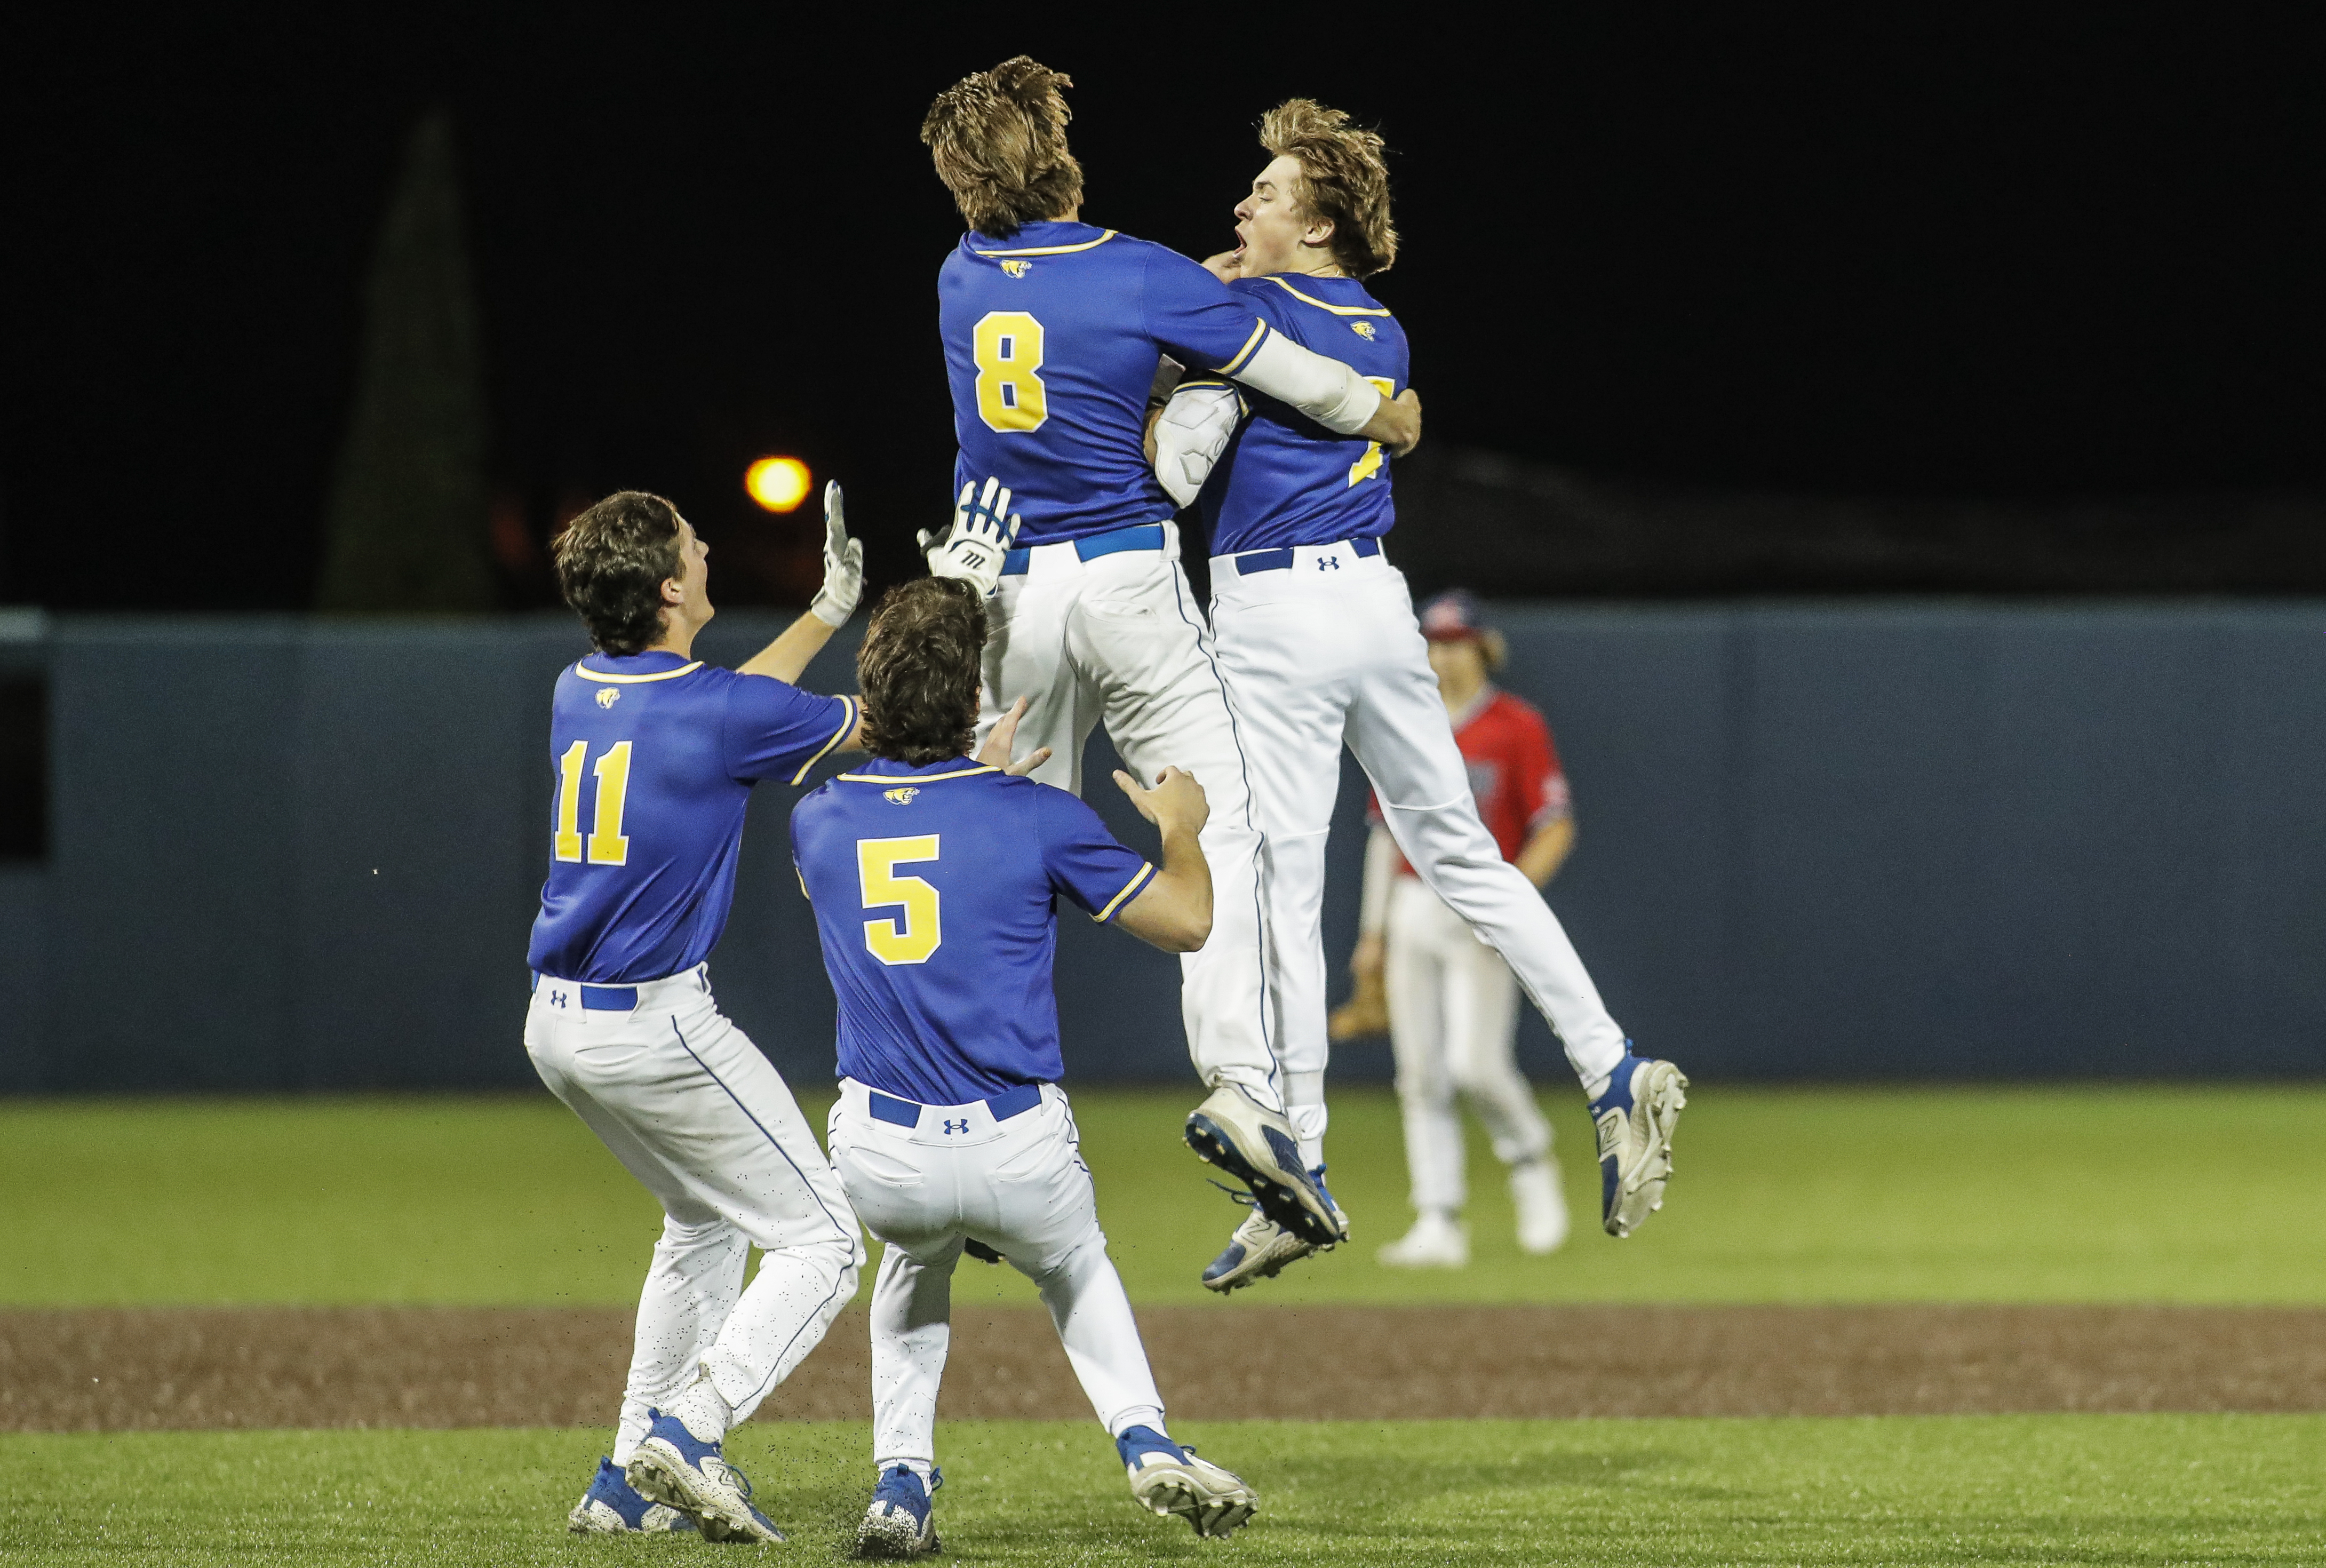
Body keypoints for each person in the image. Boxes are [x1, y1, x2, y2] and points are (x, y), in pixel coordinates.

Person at [1153, 100, 1688, 1292]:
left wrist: (1207, 284)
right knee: (1460, 852)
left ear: (1323, 219)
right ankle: (1610, 1065)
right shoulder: (1382, 326)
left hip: (1278, 611)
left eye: (1268, 191)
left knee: (1281, 880)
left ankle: (1299, 1159)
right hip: (1374, 603)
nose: (1242, 204)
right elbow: (1376, 409)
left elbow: (1135, 352)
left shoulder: (1246, 307)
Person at [914, 56, 1423, 1259]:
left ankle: (992, 1131)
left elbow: (1076, 306)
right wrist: (1383, 410)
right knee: (1222, 825)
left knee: (1006, 863)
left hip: (1008, 596)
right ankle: (1244, 1088)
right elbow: (1296, 374)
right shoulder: (1140, 271)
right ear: (1056, 154)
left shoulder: (957, 276)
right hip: (1129, 581)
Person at [791, 578, 1260, 1555]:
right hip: (1016, 1145)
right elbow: (1190, 920)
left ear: (870, 700)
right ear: (973, 701)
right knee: (1075, 1263)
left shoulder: (819, 818)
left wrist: (971, 775)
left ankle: (900, 1484)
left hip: (884, 1158)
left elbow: (922, 834)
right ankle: (1144, 1436)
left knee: (914, 1263)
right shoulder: (1037, 814)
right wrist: (1182, 824)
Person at [528, 485, 873, 1543]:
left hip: (555, 1025)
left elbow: (726, 708)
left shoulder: (577, 686)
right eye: (691, 537)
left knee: (706, 1218)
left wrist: (822, 611)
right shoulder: (716, 710)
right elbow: (877, 722)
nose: (708, 540)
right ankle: (695, 1421)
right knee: (826, 1238)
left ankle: (626, 1478)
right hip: (652, 1023)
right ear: (672, 585)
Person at [1335, 592, 1576, 1265]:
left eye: (1455, 641)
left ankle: (1531, 1163)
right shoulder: (1404, 721)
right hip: (1412, 901)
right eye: (1434, 641)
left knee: (1475, 1065)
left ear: (1482, 647)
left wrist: (1510, 904)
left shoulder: (1515, 724)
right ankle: (1438, 1218)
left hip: (1478, 907)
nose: (1443, 653)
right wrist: (1371, 931)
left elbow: (1554, 823)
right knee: (1419, 1074)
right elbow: (1384, 834)